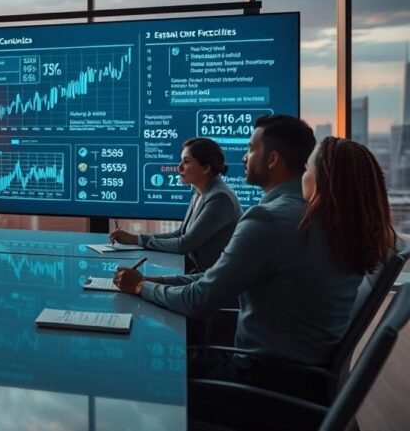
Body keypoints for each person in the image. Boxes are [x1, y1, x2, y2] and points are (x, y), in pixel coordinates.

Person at [113, 118, 395, 396]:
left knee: (149, 377)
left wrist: (141, 287)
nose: (244, 156)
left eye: (250, 148)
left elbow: (199, 299)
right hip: (305, 380)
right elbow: (219, 276)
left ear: (272, 159)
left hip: (264, 384)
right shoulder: (334, 224)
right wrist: (156, 280)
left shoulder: (270, 220)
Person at [110, 137, 241, 271]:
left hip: (211, 280)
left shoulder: (220, 198)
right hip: (196, 271)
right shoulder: (199, 193)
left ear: (206, 168)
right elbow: (179, 234)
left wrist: (136, 241)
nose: (179, 167)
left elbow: (185, 244)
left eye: (186, 161)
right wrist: (137, 238)